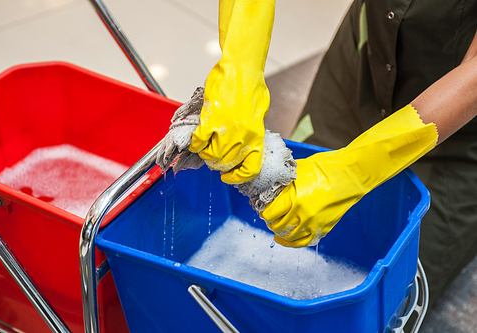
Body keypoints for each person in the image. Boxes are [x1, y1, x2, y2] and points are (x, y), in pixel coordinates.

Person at [189, 0, 477, 308]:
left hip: (459, 124)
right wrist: (240, 65)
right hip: (367, 59)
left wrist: (353, 170)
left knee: (393, 295)